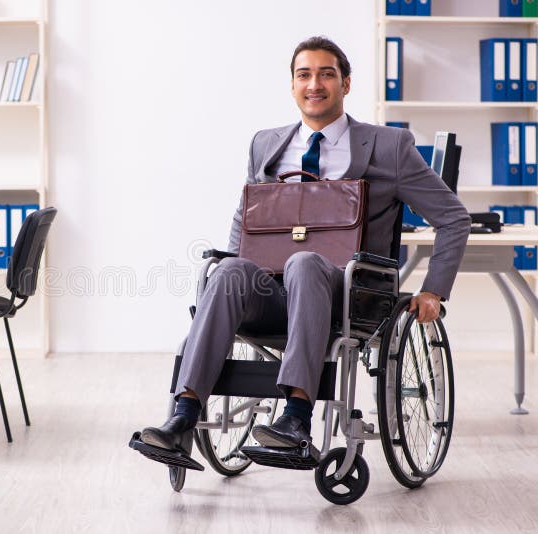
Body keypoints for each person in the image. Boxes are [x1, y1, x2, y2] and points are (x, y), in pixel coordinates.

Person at [139, 36, 471, 452]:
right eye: (304, 75)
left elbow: (453, 217)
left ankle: (296, 420)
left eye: (326, 74)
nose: (314, 84)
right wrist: (231, 270)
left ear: (346, 84)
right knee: (228, 269)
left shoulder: (390, 147)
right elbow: (249, 219)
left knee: (305, 263)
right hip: (272, 295)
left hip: (346, 294)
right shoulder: (266, 144)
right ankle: (183, 417)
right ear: (293, 85)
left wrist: (434, 290)